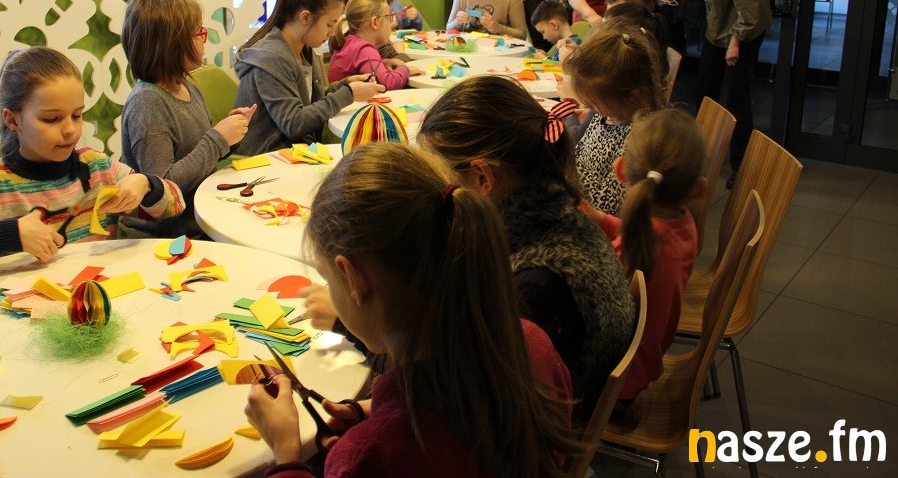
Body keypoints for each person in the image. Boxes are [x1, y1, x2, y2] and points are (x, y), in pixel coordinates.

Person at [245, 143, 578, 477]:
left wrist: (286, 453)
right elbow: (471, 407)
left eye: (328, 278)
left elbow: (409, 446)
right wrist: (375, 411)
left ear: (351, 276)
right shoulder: (534, 343)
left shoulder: (372, 457)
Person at [417, 77, 635, 422]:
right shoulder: (553, 209)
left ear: (483, 179)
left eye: (440, 182)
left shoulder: (534, 286)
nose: (437, 194)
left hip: (544, 429)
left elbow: (482, 401)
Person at [0, 47, 184, 276]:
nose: (70, 130)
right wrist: (9, 235)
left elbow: (175, 204)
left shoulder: (97, 168)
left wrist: (145, 184)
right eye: (51, 119)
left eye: (77, 115)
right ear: (12, 120)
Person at [584, 108, 705, 402]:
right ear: (697, 190)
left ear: (620, 171)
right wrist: (601, 220)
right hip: (639, 368)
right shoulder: (681, 224)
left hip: (612, 384)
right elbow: (644, 232)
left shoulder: (639, 249)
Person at [119, 0, 255, 238]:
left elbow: (199, 156)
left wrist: (230, 134)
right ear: (171, 46)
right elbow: (162, 187)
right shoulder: (147, 103)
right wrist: (218, 139)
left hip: (200, 219)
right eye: (199, 33)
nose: (204, 40)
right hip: (164, 237)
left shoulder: (187, 86)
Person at [669, 0, 772, 186]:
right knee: (705, 92)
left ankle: (742, 166)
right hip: (718, 31)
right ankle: (702, 157)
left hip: (743, 32)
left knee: (736, 96)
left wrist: (736, 42)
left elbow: (749, 7)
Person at [233, 0, 386, 156]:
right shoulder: (272, 57)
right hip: (264, 157)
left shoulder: (304, 50)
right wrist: (349, 94)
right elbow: (294, 123)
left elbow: (312, 103)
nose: (332, 33)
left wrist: (345, 85)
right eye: (329, 25)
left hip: (294, 151)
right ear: (305, 17)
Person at [563, 25, 667, 216]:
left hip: (605, 222)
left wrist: (565, 167)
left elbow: (609, 204)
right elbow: (583, 153)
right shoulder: (609, 114)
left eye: (596, 103)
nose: (592, 108)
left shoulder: (640, 140)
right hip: (581, 202)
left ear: (631, 96)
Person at [327, 0, 420, 90]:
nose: (391, 25)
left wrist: (383, 63)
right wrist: (405, 69)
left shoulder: (350, 42)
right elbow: (387, 84)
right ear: (374, 22)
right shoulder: (364, 49)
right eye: (389, 18)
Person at [342, 0, 410, 63]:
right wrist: (400, 52)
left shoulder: (347, 38)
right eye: (388, 15)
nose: (392, 18)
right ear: (374, 22)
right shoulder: (369, 47)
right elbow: (398, 66)